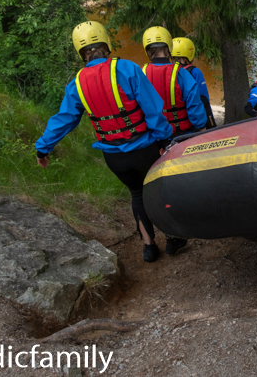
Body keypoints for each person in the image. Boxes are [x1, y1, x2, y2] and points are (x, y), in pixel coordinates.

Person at [35, 21, 176, 263]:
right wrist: (165, 139)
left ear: (81, 52)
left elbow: (64, 119)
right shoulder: (128, 70)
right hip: (145, 149)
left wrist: (42, 148)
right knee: (158, 191)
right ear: (105, 44)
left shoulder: (76, 83)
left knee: (137, 194)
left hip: (114, 158)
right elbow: (153, 110)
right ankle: (174, 239)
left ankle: (149, 247)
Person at [141, 27, 207, 138]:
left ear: (146, 49)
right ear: (169, 47)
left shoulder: (140, 74)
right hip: (183, 135)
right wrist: (201, 126)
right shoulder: (182, 73)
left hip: (154, 137)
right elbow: (194, 106)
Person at [171, 37, 217, 128]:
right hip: (193, 120)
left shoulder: (170, 73)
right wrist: (210, 124)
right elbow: (204, 99)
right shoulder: (195, 72)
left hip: (176, 121)